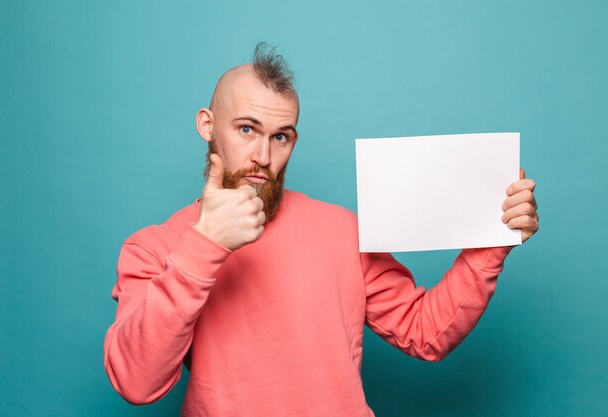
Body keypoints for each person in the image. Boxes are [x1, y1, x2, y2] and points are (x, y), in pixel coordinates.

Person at [103, 43, 540, 417]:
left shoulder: (342, 231)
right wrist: (205, 245)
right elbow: (137, 383)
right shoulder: (154, 248)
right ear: (207, 126)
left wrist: (491, 239)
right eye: (246, 129)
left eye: (280, 137)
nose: (261, 155)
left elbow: (425, 332)